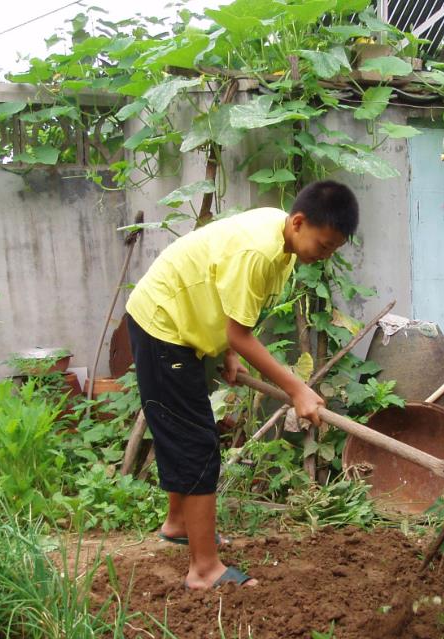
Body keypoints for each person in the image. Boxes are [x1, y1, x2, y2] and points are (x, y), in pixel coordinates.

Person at [125, 180, 359, 590]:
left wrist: (227, 348)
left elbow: (230, 306)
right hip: (162, 324)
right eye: (323, 246)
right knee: (195, 442)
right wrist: (296, 389)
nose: (324, 256)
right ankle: (203, 570)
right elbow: (240, 330)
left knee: (186, 432)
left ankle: (180, 523)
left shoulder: (280, 236)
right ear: (299, 222)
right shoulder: (260, 251)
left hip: (178, 323)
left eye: (332, 250)